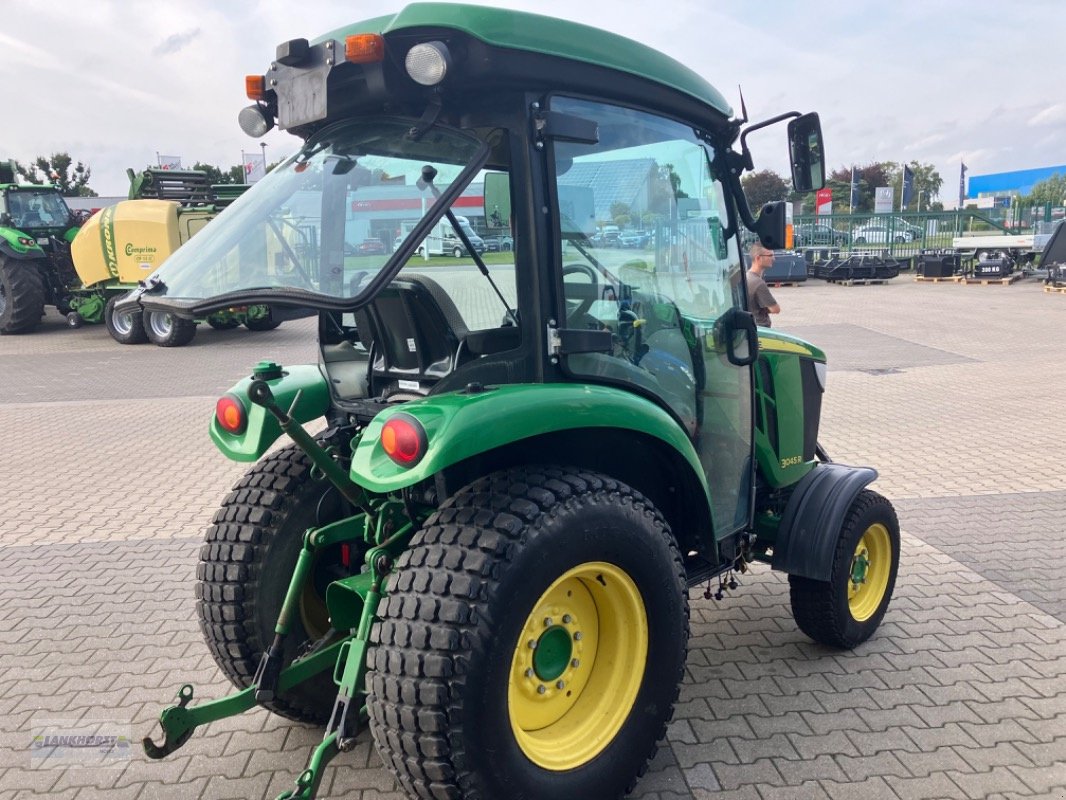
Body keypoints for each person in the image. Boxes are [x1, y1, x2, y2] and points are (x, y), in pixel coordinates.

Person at [746, 243, 781, 327]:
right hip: (761, 329)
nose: (773, 258)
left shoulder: (746, 276)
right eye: (770, 255)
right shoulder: (758, 283)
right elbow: (775, 309)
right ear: (758, 258)